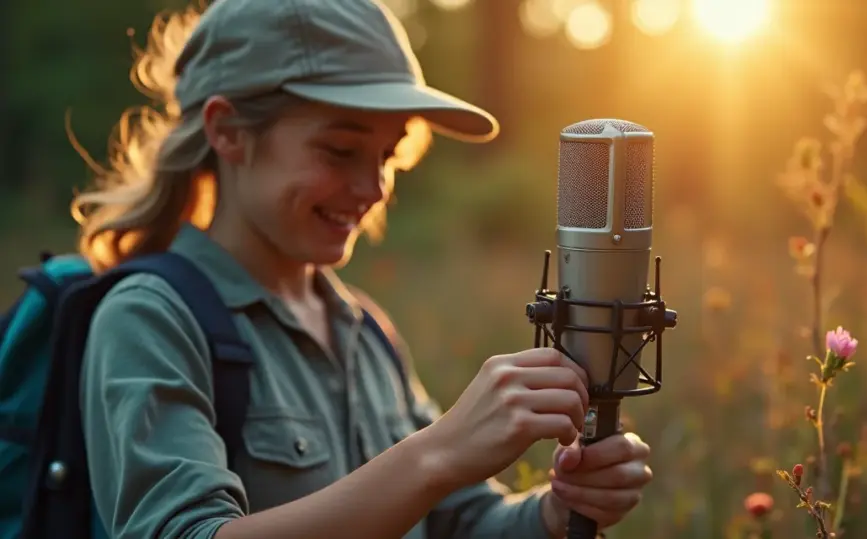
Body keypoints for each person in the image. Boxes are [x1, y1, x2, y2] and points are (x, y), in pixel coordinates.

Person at [70, 1, 654, 538]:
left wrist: (554, 512)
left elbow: (460, 523)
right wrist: (436, 455)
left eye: (388, 155)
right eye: (340, 151)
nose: (373, 188)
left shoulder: (363, 329)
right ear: (226, 131)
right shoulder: (149, 318)